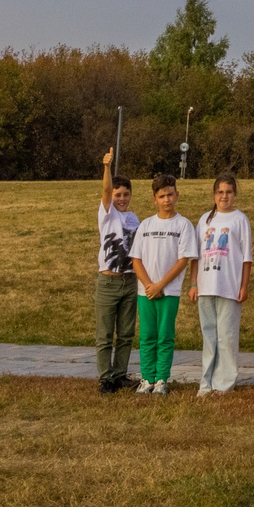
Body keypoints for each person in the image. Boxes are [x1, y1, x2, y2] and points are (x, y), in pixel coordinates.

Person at [130, 174, 198, 396]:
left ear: (177, 194)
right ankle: (147, 378)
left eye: (170, 194)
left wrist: (161, 285)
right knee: (147, 336)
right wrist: (149, 284)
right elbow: (136, 259)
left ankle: (161, 379)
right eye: (162, 196)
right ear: (154, 199)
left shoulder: (183, 225)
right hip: (146, 291)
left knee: (164, 335)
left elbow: (183, 260)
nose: (166, 199)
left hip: (169, 291)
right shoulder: (146, 225)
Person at [194, 171, 252, 397]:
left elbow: (247, 257)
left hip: (229, 285)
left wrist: (244, 285)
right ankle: (206, 382)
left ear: (234, 194)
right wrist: (193, 283)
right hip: (206, 285)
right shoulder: (204, 220)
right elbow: (196, 256)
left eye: (228, 192)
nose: (224, 196)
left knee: (226, 336)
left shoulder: (240, 219)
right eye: (220, 192)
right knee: (209, 335)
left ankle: (224, 383)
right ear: (214, 194)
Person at [94, 147, 140, 394]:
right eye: (118, 194)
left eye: (126, 194)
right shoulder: (107, 214)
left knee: (125, 333)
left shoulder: (134, 219)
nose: (121, 198)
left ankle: (120, 374)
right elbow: (104, 190)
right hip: (108, 283)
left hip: (129, 281)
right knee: (105, 335)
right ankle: (105, 378)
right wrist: (107, 167)